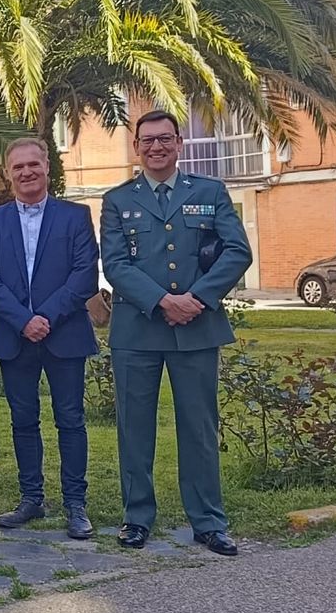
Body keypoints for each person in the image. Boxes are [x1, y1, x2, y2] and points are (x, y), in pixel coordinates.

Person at [100, 110, 252, 556]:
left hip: (197, 328)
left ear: (179, 143)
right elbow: (115, 264)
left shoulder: (210, 191)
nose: (156, 147)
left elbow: (236, 250)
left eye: (164, 139)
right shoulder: (117, 200)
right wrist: (165, 301)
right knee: (134, 429)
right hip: (138, 330)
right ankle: (137, 518)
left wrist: (197, 298)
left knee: (199, 428)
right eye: (147, 141)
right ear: (136, 148)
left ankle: (208, 522)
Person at [0, 138, 100, 540]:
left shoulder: (76, 215)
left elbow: (84, 274)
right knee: (23, 420)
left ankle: (75, 504)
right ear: (9, 173)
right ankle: (31, 498)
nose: (26, 173)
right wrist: (23, 320)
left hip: (64, 334)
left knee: (71, 420)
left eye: (34, 165)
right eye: (18, 167)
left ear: (48, 167)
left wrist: (45, 316)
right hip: (15, 336)